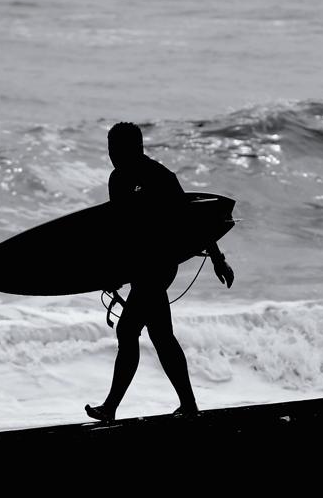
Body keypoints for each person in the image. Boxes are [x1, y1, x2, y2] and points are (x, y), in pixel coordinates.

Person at [86, 122, 234, 421]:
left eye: (117, 149)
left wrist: (218, 259)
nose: (112, 155)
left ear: (136, 148)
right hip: (139, 265)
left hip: (160, 264)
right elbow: (121, 232)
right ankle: (188, 405)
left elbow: (193, 222)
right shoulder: (117, 179)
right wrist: (113, 271)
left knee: (128, 330)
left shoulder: (160, 177)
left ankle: (111, 407)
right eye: (110, 149)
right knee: (161, 336)